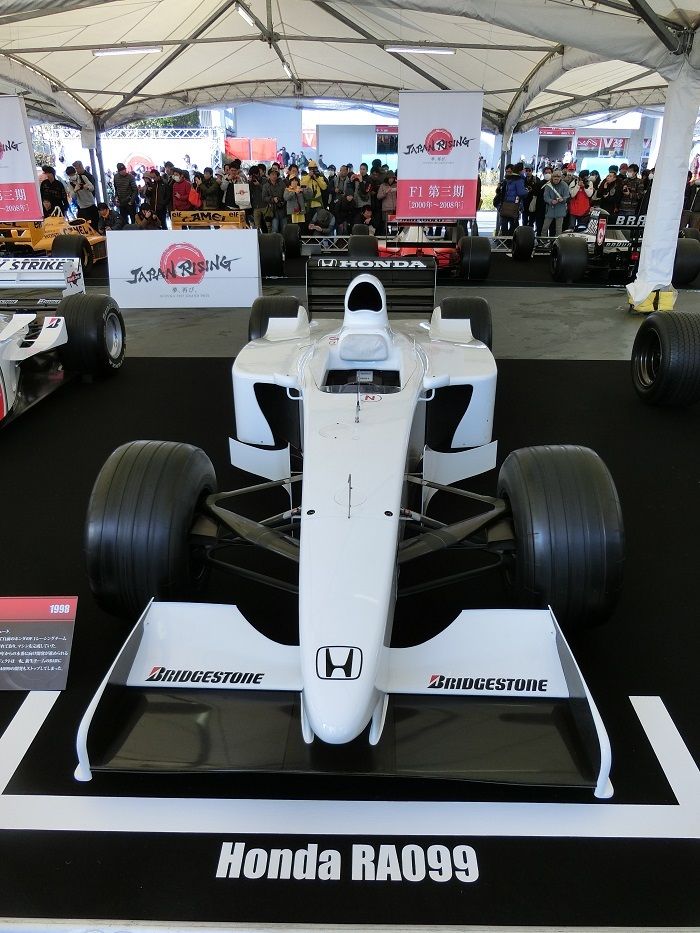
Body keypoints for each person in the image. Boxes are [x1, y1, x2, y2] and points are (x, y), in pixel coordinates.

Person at [495, 164, 527, 235]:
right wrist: (527, 191)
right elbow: (521, 193)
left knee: (505, 224)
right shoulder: (518, 180)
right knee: (513, 224)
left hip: (505, 205)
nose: (508, 173)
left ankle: (505, 239)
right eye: (506, 172)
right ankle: (510, 239)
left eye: (509, 172)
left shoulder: (507, 180)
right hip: (513, 205)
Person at [543, 168, 571, 236]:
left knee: (559, 228)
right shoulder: (548, 185)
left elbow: (567, 196)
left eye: (558, 179)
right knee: (545, 227)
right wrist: (551, 201)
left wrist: (563, 199)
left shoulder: (564, 185)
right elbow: (545, 197)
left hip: (560, 209)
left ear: (560, 178)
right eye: (555, 179)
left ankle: (557, 241)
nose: (556, 180)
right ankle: (543, 240)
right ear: (552, 178)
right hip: (550, 209)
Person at [262, 167, 287, 233]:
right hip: (272, 210)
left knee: (284, 229)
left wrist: (282, 201)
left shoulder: (282, 184)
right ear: (269, 176)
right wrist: (272, 199)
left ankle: (284, 239)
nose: (274, 176)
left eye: (275, 174)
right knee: (274, 229)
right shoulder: (266, 186)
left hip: (282, 209)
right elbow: (264, 198)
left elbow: (286, 195)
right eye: (272, 174)